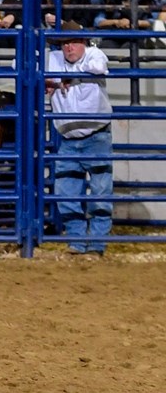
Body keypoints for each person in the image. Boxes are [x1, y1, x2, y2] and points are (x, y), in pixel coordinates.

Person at [45, 21, 113, 257]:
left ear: (83, 43)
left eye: (74, 42)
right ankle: (77, 241)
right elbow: (18, 64)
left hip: (96, 135)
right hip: (69, 137)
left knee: (100, 193)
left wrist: (60, 79)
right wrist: (47, 80)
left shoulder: (94, 54)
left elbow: (98, 67)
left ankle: (96, 244)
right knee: (66, 192)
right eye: (65, 43)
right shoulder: (53, 58)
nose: (69, 48)